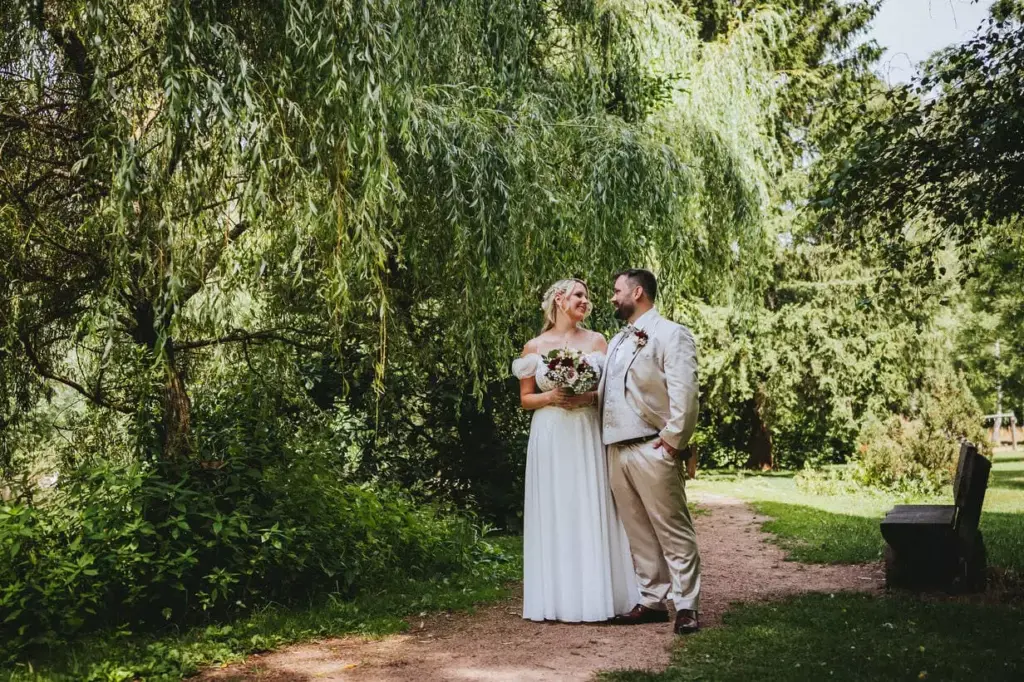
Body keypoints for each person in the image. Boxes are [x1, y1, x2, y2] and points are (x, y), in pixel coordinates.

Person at [512, 278, 638, 622]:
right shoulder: (534, 346)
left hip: (585, 429)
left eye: (588, 297)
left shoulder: (598, 341)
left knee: (588, 501)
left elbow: (610, 391)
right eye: (579, 295)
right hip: (551, 433)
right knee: (556, 506)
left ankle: (598, 595)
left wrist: (585, 397)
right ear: (559, 299)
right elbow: (525, 399)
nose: (586, 301)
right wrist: (552, 396)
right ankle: (555, 599)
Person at [599, 268, 702, 635]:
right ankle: (653, 600)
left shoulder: (671, 334)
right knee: (638, 530)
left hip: (653, 445)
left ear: (637, 292)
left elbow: (685, 393)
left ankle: (687, 605)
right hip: (616, 449)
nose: (612, 297)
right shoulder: (615, 341)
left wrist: (674, 441)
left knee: (673, 528)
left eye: (617, 290)